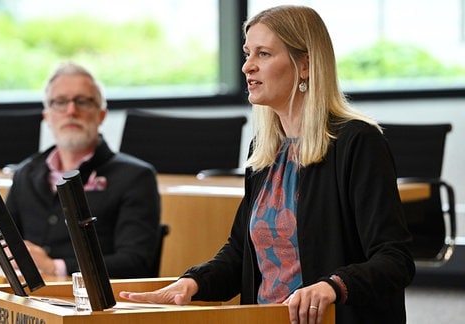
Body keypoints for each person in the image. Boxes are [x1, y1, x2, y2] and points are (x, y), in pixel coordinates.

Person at [119, 5, 415, 323]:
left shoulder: (357, 142)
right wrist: (192, 282)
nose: (247, 66)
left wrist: (332, 287)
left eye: (263, 54)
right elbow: (240, 254)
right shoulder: (264, 151)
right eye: (248, 53)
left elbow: (395, 259)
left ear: (305, 65)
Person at [0, 62, 161, 279]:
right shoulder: (27, 173)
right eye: (60, 102)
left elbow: (135, 263)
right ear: (47, 116)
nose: (71, 111)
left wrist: (55, 267)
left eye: (83, 101)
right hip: (28, 303)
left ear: (101, 115)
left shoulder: (135, 177)